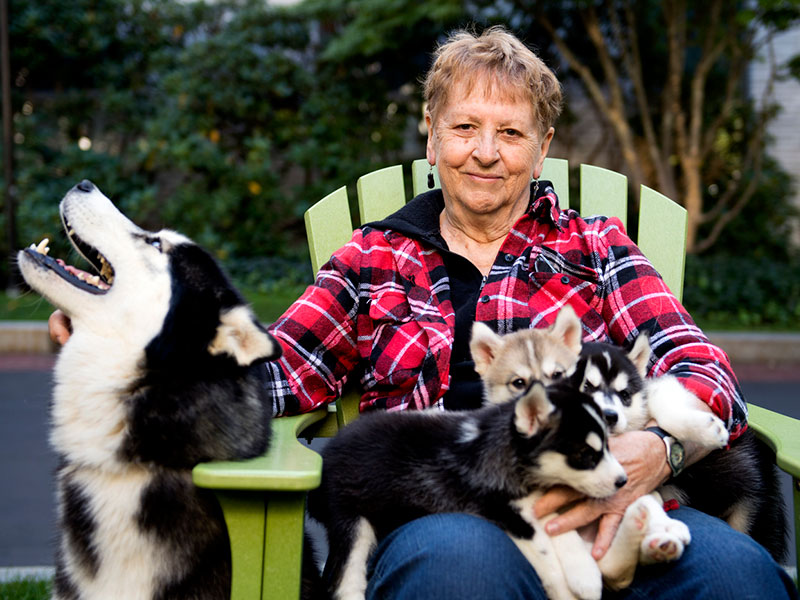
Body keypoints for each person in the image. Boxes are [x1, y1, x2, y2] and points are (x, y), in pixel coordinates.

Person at [50, 26, 796, 599]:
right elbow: (269, 376)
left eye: (510, 133)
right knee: (456, 571)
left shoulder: (595, 245)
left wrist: (657, 455)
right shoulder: (375, 257)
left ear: (542, 149)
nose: (485, 152)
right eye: (465, 127)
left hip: (617, 504)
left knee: (734, 573)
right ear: (431, 133)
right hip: (447, 510)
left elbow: (702, 372)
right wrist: (121, 345)